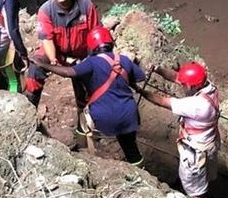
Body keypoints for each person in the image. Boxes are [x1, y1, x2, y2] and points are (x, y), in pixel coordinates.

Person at [30, 26, 145, 165]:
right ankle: (140, 173)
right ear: (111, 44)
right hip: (129, 114)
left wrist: (43, 65)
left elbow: (69, 72)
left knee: (82, 120)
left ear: (91, 47)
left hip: (104, 117)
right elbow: (140, 77)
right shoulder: (124, 60)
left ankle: (81, 152)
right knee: (131, 149)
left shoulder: (90, 62)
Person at [137, 62, 220, 197]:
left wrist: (140, 90)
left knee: (193, 184)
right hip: (209, 144)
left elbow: (163, 101)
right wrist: (158, 69)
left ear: (194, 86)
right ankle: (207, 187)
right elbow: (177, 77)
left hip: (195, 153)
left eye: (185, 86)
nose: (182, 87)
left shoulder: (197, 105)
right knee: (207, 173)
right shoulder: (208, 87)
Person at [24, 0, 100, 108]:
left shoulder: (85, 4)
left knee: (86, 83)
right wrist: (53, 59)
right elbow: (47, 38)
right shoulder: (46, 10)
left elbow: (95, 32)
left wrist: (93, 59)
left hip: (82, 53)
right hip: (57, 52)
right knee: (35, 67)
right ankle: (30, 109)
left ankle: (85, 121)